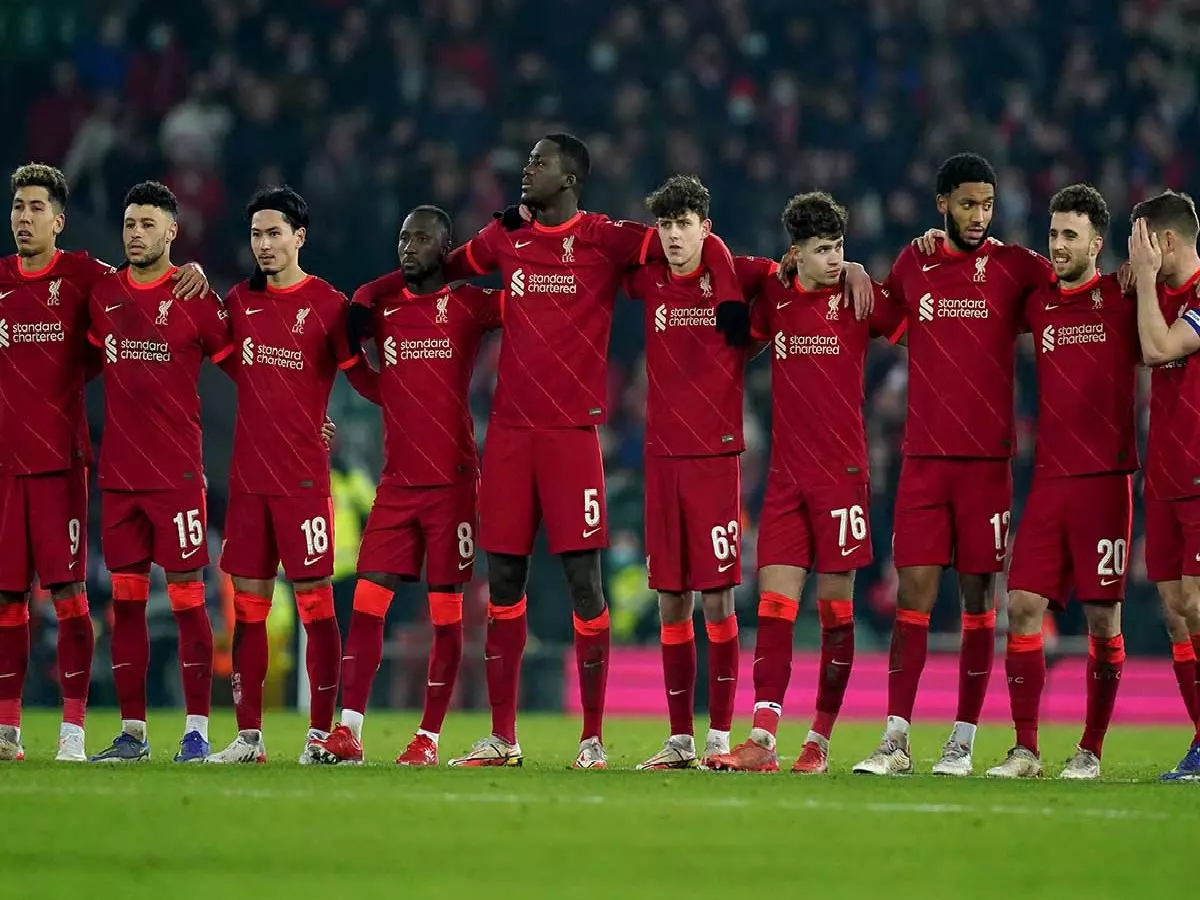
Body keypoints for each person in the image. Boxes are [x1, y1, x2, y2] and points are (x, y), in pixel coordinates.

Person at [390, 133, 750, 769]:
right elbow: (442, 268)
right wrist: (371, 299)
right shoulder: (506, 238)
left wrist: (725, 293)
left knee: (586, 585)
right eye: (528, 161)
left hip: (573, 437)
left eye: (539, 162)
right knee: (503, 583)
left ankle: (591, 739)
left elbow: (693, 242)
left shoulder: (606, 238)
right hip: (509, 436)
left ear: (570, 177)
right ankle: (503, 737)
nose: (526, 170)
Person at [851, 153, 1052, 777]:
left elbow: (1073, 286)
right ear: (942, 204)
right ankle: (896, 739)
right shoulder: (915, 263)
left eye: (986, 204)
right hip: (923, 460)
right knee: (911, 596)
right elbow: (883, 313)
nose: (979, 215)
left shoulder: (1016, 267)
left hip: (987, 465)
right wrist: (854, 270)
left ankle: (962, 741)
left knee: (978, 600)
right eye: (967, 204)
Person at [0, 164, 207, 764]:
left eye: (36, 208)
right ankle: (9, 730)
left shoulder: (88, 278)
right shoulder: (11, 282)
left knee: (72, 597)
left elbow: (148, 283)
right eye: (17, 207)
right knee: (9, 601)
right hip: (11, 470)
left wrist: (190, 271)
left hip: (65, 465)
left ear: (59, 220)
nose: (24, 218)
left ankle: (74, 732)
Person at [709, 192, 905, 774]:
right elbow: (738, 334)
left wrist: (866, 271)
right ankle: (763, 740)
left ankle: (818, 740)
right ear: (795, 253)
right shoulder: (775, 298)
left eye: (840, 247)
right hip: (786, 478)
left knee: (835, 611)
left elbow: (915, 325)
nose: (835, 258)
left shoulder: (859, 295)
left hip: (842, 476)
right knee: (774, 608)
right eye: (822, 249)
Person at [310, 205, 501, 766]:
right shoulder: (385, 308)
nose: (408, 246)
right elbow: (344, 339)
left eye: (421, 239)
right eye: (403, 237)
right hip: (397, 484)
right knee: (368, 602)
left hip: (453, 484)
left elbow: (527, 302)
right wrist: (373, 384)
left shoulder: (467, 306)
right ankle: (349, 731)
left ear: (444, 248)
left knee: (446, 614)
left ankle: (428, 738)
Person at [206, 186, 378, 764]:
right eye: (256, 234)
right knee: (248, 611)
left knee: (316, 607)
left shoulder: (329, 304)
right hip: (248, 483)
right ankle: (249, 738)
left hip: (303, 483)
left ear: (299, 237)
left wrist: (409, 397)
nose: (264, 244)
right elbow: (237, 367)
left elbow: (360, 376)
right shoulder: (238, 302)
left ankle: (319, 735)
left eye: (274, 233)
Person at [985, 185, 1134, 780]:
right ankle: (1025, 749)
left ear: (1097, 244)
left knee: (1103, 620)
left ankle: (1090, 750)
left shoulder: (1122, 295)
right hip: (1049, 478)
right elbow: (986, 278)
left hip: (1104, 481)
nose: (1058, 245)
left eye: (1070, 235)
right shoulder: (1038, 301)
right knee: (1022, 604)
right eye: (1053, 234)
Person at [83, 182, 231, 764]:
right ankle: (133, 733)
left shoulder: (195, 297)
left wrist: (302, 415)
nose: (135, 233)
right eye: (129, 223)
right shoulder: (103, 294)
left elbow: (246, 365)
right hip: (119, 480)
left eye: (148, 224)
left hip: (177, 478)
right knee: (125, 607)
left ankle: (196, 732)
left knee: (190, 602)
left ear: (172, 231)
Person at [622, 176, 745, 770]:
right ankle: (680, 740)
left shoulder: (737, 274)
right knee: (672, 601)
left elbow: (797, 274)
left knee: (717, 600)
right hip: (662, 458)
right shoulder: (649, 279)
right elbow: (607, 260)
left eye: (685, 224)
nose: (674, 236)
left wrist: (850, 270)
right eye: (666, 225)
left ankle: (719, 738)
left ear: (705, 229)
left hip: (715, 460)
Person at [1124, 191, 1200, 781]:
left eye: (1140, 242)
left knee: (1197, 605)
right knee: (1177, 614)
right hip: (1165, 475)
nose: (1135, 254)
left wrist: (1145, 282)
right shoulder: (1155, 292)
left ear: (1166, 241)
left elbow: (1156, 349)